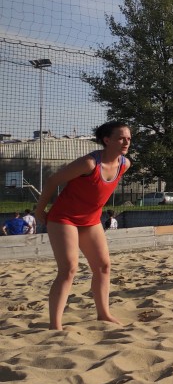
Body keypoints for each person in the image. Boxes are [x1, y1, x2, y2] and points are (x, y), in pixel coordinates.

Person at [34, 121, 132, 330]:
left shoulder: (124, 164)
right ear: (107, 140)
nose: (126, 142)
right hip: (64, 218)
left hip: (91, 220)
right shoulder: (89, 163)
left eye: (129, 138)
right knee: (69, 269)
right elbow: (53, 180)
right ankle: (55, 325)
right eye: (121, 138)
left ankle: (103, 314)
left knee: (103, 267)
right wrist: (39, 210)